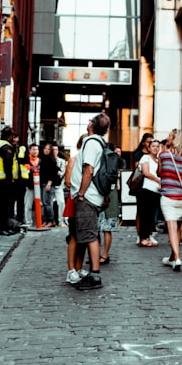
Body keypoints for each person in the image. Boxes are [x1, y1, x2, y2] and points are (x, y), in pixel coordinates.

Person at [70, 114, 110, 290]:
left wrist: (81, 193)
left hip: (88, 196)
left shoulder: (92, 143)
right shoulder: (99, 142)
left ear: (93, 124)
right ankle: (93, 273)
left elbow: (89, 169)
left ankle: (95, 275)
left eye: (90, 121)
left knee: (90, 235)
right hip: (93, 195)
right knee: (89, 234)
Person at [158, 130, 182, 271]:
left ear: (174, 139)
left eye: (170, 136)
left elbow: (159, 173)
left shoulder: (164, 155)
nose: (167, 138)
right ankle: (172, 257)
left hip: (169, 197)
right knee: (178, 227)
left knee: (172, 227)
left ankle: (177, 258)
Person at [64, 135, 89, 284]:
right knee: (74, 236)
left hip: (87, 200)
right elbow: (67, 182)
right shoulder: (73, 160)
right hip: (75, 201)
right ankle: (71, 270)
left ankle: (79, 268)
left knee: (84, 238)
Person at [0, 126, 20, 235]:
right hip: (4, 181)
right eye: (13, 136)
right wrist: (9, 179)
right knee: (3, 206)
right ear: (10, 136)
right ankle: (1, 228)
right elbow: (8, 164)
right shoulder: (6, 147)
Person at [136, 139, 162, 247]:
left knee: (152, 215)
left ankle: (148, 236)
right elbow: (146, 172)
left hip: (156, 191)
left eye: (157, 146)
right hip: (147, 189)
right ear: (149, 148)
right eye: (153, 146)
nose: (155, 148)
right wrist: (158, 180)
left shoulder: (158, 160)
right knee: (144, 214)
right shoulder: (145, 157)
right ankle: (142, 238)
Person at [98, 145, 122, 264]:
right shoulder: (114, 160)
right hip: (110, 195)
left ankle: (99, 254)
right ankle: (104, 255)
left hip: (101, 194)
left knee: (100, 228)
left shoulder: (100, 158)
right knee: (107, 229)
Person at [39, 141, 60, 226]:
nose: (46, 150)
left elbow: (52, 173)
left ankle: (51, 220)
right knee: (44, 203)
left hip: (48, 184)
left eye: (48, 149)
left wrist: (49, 184)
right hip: (42, 183)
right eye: (45, 148)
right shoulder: (43, 158)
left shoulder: (51, 160)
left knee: (47, 203)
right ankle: (46, 220)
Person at [52, 143, 66, 227]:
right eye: (53, 150)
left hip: (58, 185)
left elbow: (61, 173)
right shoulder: (47, 160)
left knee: (61, 202)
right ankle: (52, 220)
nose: (54, 151)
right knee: (48, 204)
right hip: (49, 185)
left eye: (56, 150)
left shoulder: (62, 161)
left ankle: (61, 221)